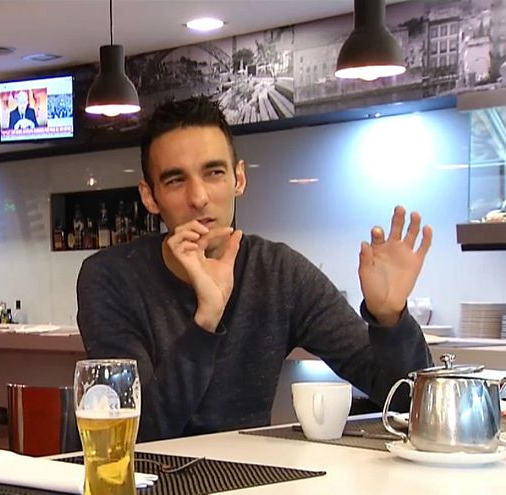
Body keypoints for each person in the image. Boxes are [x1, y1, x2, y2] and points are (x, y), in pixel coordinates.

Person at [76, 96, 433, 443]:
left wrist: (390, 320)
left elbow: (404, 403)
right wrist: (206, 321)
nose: (198, 197)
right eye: (175, 180)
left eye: (214, 173)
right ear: (150, 196)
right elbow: (138, 434)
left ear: (239, 179)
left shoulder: (279, 273)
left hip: (252, 478)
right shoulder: (108, 278)